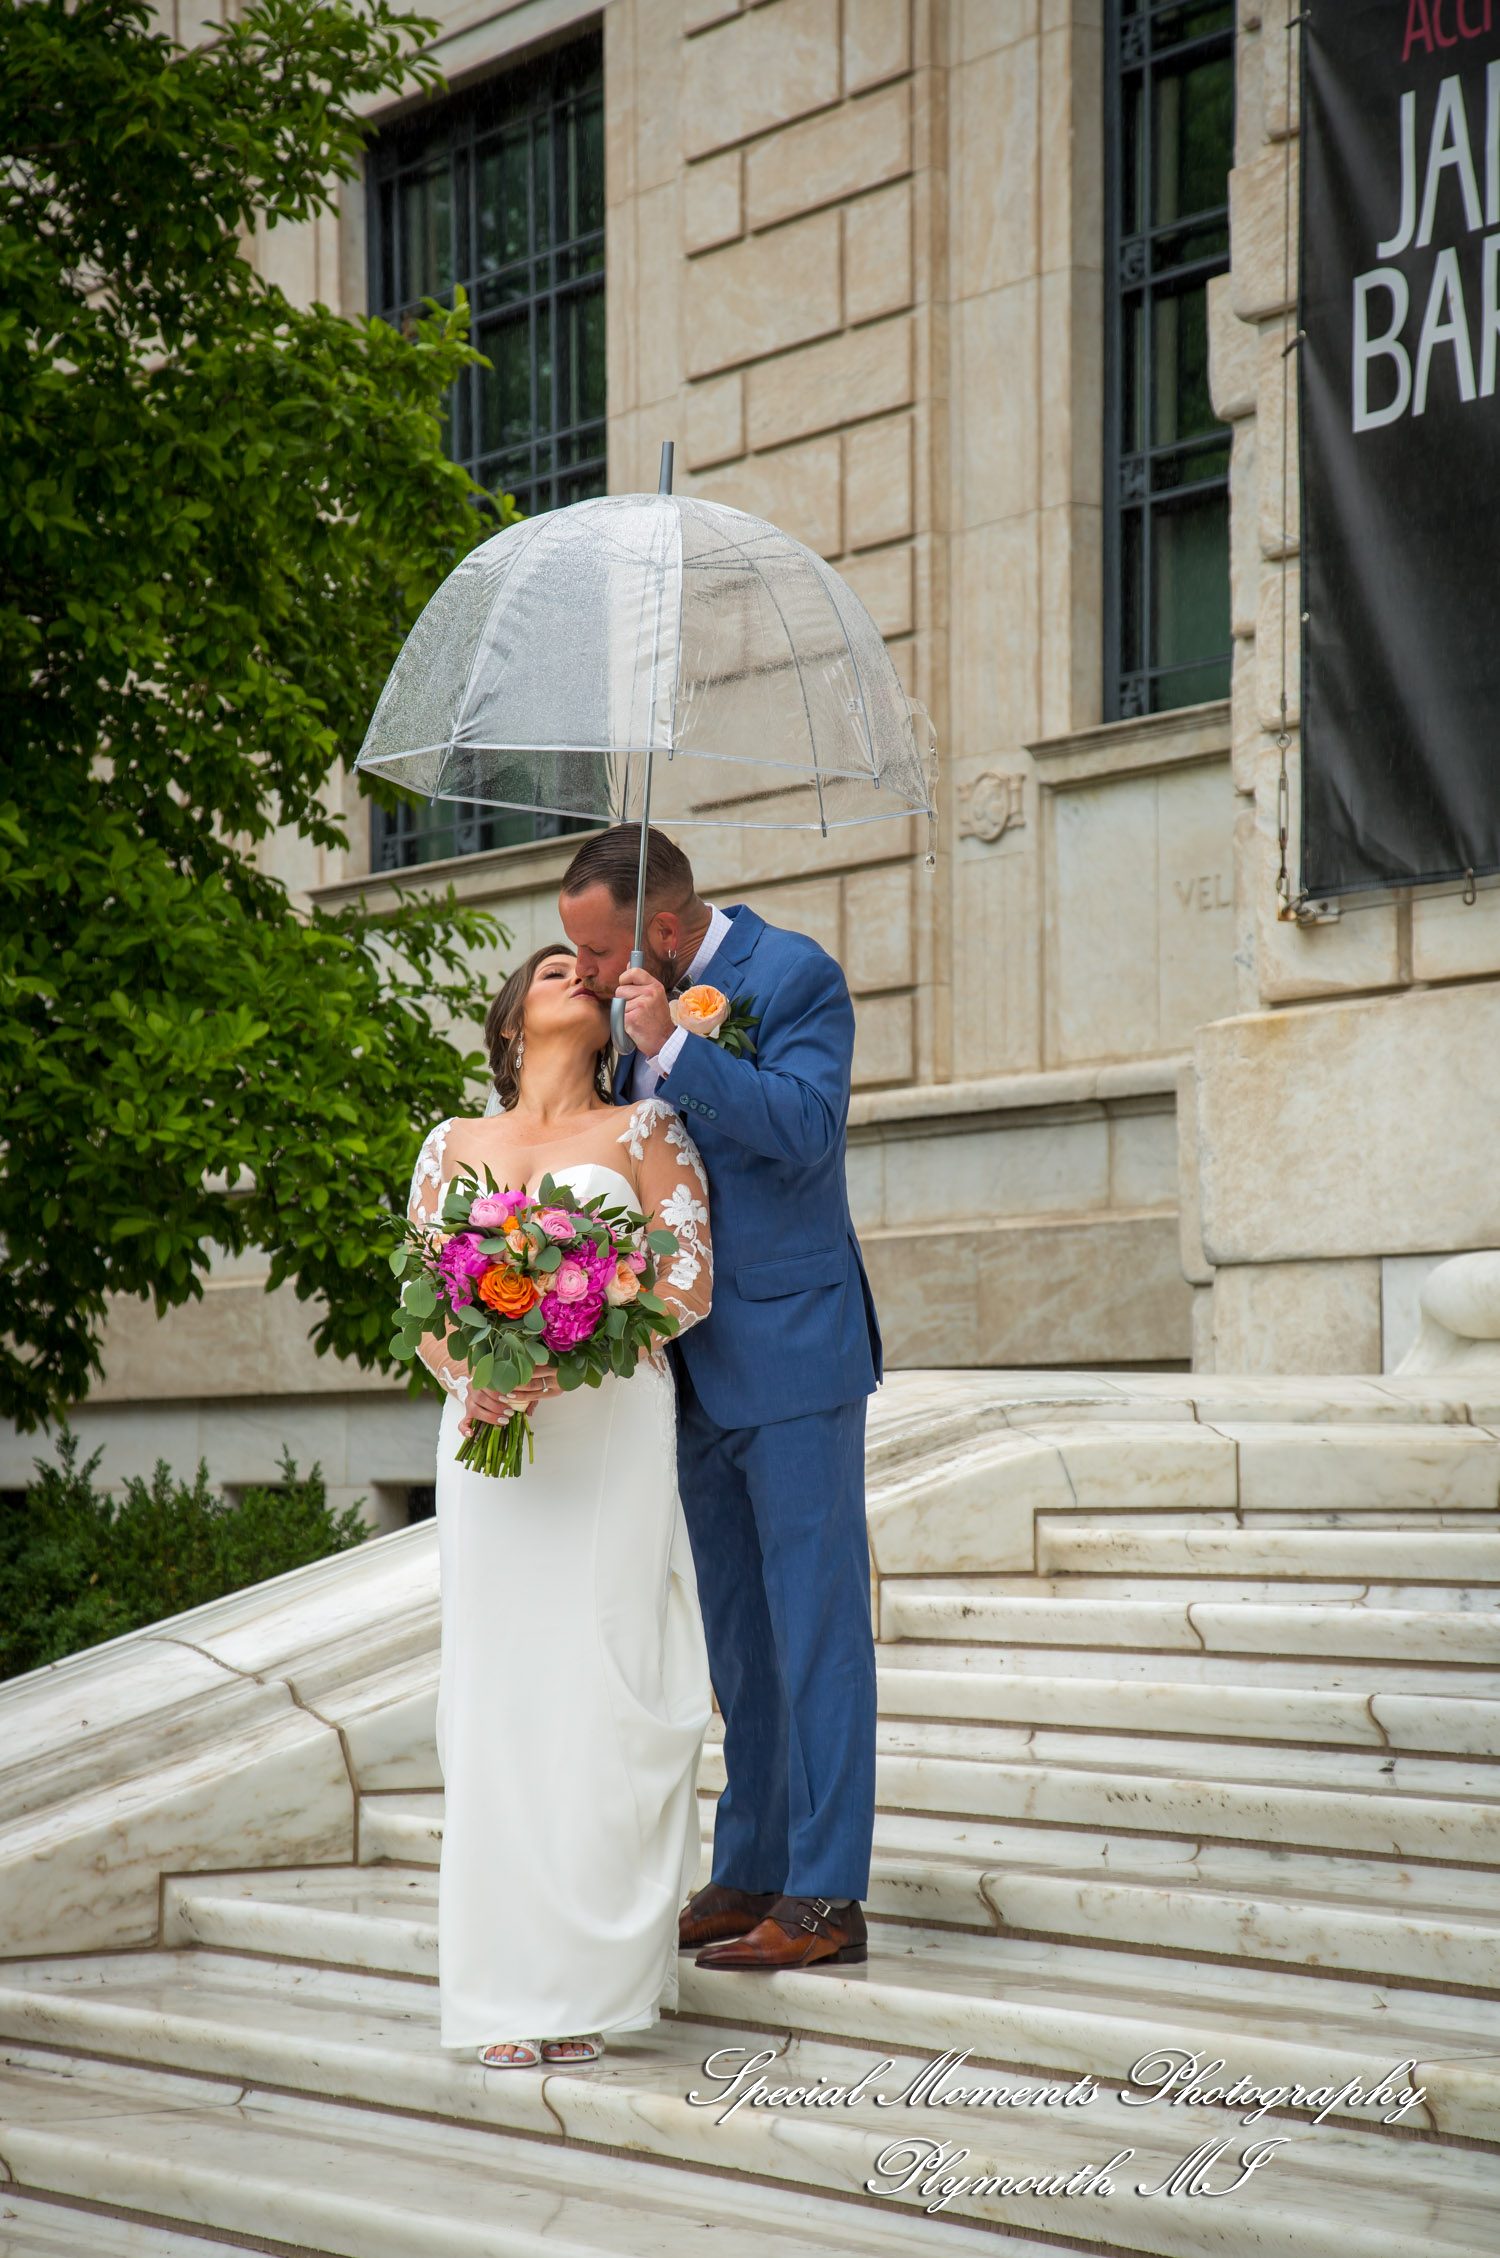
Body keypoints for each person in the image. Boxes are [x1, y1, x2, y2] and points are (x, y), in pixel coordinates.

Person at [559, 825, 882, 1972]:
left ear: (660, 925)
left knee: (817, 1628)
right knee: (739, 1639)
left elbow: (806, 1131)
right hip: (680, 1367)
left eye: (593, 950)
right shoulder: (618, 1011)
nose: (585, 973)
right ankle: (749, 1863)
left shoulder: (793, 974)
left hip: (793, 1352)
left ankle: (828, 1895)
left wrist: (682, 1052)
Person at [407, 942, 713, 2070]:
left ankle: (585, 1980)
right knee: (497, 1690)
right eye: (551, 969)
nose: (578, 976)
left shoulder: (647, 1134)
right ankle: (500, 1985)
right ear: (509, 1020)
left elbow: (688, 1282)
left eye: (588, 971)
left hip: (612, 1424)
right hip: (490, 1428)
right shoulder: (453, 1146)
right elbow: (425, 1292)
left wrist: (575, 1333)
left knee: (600, 1676)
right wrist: (476, 1372)